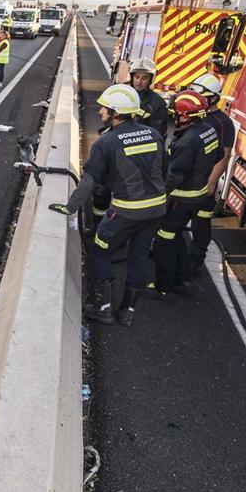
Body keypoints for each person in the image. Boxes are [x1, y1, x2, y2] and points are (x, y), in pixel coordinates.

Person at [49, 84, 167, 326]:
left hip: (126, 211)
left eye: (104, 108)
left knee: (100, 249)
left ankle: (104, 308)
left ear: (115, 112)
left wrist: (70, 207)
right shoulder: (154, 135)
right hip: (157, 208)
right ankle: (127, 312)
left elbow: (88, 182)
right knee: (139, 254)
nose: (100, 111)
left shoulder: (107, 142)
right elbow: (164, 171)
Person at [153, 90, 223, 296]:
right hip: (199, 195)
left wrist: (159, 196)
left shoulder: (186, 142)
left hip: (181, 198)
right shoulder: (209, 130)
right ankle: (182, 277)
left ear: (185, 115)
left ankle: (163, 286)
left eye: (177, 113)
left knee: (164, 239)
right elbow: (218, 155)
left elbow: (174, 176)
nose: (176, 116)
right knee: (177, 235)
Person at [186, 72, 235, 275]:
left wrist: (212, 181)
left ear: (214, 97)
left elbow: (224, 156)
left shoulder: (223, 123)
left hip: (205, 180)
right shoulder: (198, 115)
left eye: (202, 95)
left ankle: (196, 258)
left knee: (201, 220)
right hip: (188, 178)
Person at [129, 57, 168, 137]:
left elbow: (158, 133)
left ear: (151, 80)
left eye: (144, 78)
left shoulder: (158, 103)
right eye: (137, 77)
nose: (139, 82)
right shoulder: (123, 95)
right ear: (132, 77)